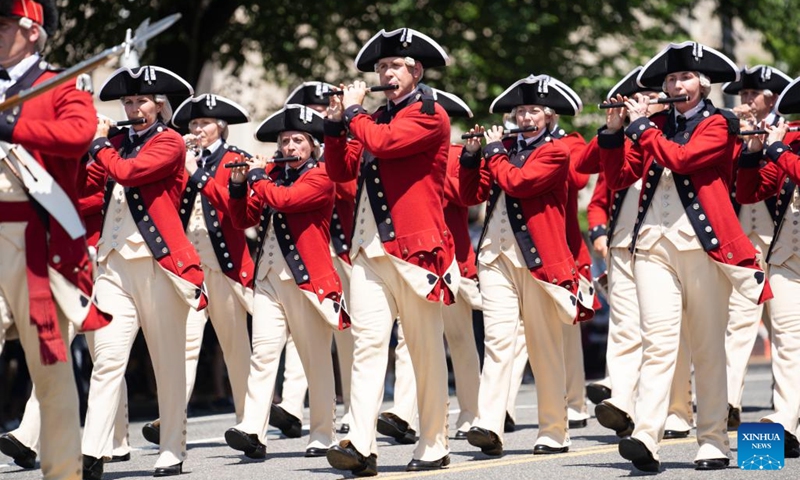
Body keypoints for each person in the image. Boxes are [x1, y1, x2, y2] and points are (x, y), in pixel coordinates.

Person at [599, 41, 771, 472]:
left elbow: (685, 158)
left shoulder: (721, 122)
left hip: (706, 248)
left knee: (707, 347)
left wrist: (641, 129)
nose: (676, 84)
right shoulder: (653, 124)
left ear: (702, 84)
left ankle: (713, 439)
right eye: (671, 79)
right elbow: (619, 176)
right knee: (658, 342)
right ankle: (647, 435)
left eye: (684, 78)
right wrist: (613, 131)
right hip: (653, 246)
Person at [323, 27, 459, 476]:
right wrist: (333, 125)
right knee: (367, 346)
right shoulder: (374, 118)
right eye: (380, 67)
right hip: (369, 247)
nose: (385, 73)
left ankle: (434, 442)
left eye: (393, 66)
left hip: (416, 250)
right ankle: (360, 445)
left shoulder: (429, 113)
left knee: (423, 350)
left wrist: (355, 112)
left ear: (415, 71)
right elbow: (341, 169)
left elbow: (385, 144)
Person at [0, 1, 109, 479]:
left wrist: (13, 127)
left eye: (1, 25)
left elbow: (78, 134)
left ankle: (63, 470)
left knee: (49, 368)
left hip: (35, 241)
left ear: (31, 31)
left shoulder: (61, 84)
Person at [459, 74, 593, 459]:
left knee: (543, 345)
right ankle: (489, 423)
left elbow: (518, 182)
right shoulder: (504, 147)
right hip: (495, 256)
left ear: (549, 116)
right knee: (498, 340)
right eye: (519, 110)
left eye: (532, 110)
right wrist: (471, 155)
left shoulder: (556, 150)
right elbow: (472, 194)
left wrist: (494, 151)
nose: (523, 116)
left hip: (539, 261)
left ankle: (554, 429)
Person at [81, 65, 202, 478]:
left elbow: (129, 173)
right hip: (113, 263)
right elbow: (89, 186)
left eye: (141, 101)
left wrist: (100, 145)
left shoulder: (169, 142)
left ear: (160, 105)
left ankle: (172, 448)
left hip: (159, 265)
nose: (133, 108)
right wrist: (84, 145)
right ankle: (92, 450)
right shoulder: (114, 144)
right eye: (128, 102)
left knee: (166, 362)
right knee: (108, 358)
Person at [223, 104, 347, 460]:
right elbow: (243, 219)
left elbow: (286, 201)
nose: (288, 147)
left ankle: (322, 432)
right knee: (262, 354)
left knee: (314, 358)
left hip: (308, 279)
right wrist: (237, 185)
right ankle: (252, 430)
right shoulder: (274, 174)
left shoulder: (321, 176)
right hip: (268, 277)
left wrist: (259, 176)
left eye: (296, 141)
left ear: (312, 146)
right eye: (283, 141)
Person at [577, 67, 695, 441]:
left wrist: (646, 125)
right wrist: (613, 125)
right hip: (624, 243)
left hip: (671, 242)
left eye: (650, 98)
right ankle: (623, 402)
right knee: (625, 326)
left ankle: (677, 408)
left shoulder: (676, 136)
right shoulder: (626, 138)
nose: (643, 105)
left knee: (669, 332)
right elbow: (589, 172)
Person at [139, 93, 255, 445]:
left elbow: (234, 206)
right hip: (189, 264)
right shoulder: (180, 157)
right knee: (184, 343)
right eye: (192, 124)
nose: (197, 130)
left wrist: (196, 172)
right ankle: (171, 416)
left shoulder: (237, 159)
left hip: (225, 265)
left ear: (220, 127)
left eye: (203, 124)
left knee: (235, 346)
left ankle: (248, 420)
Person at [375, 87, 482, 443]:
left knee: (460, 340)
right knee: (410, 338)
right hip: (415, 259)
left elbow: (460, 193)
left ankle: (472, 413)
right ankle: (402, 414)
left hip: (453, 259)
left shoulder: (452, 153)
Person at [269, 81, 356, 438]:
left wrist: (330, 155)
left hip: (342, 246)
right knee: (297, 330)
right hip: (305, 250)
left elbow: (350, 186)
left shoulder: (341, 144)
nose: (318, 118)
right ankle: (291, 404)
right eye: (312, 112)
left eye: (323, 112)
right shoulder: (294, 157)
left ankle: (352, 405)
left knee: (346, 331)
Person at [721, 65, 791, 429]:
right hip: (742, 240)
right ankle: (728, 400)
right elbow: (730, 178)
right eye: (743, 94)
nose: (746, 100)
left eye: (754, 94)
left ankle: (786, 407)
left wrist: (771, 144)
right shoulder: (735, 130)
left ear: (774, 98)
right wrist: (739, 137)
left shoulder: (790, 130)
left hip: (781, 241)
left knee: (786, 329)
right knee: (738, 321)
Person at [735, 73, 800, 458]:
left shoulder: (786, 147)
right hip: (787, 258)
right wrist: (754, 152)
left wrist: (776, 151)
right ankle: (784, 421)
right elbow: (748, 192)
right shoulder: (789, 140)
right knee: (787, 343)